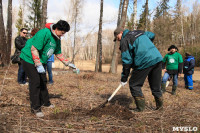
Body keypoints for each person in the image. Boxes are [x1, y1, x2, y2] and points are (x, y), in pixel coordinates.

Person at [20, 20, 79, 117]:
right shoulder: (44, 33)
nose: (62, 35)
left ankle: (45, 102)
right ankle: (35, 108)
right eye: (62, 32)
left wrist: (69, 63)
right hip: (29, 58)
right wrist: (38, 64)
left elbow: (58, 53)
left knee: (43, 80)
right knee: (35, 81)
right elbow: (34, 49)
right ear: (57, 28)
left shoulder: (57, 39)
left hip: (40, 61)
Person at [113, 27, 163, 112]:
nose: (118, 40)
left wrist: (124, 78)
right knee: (155, 85)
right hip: (157, 58)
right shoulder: (139, 32)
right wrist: (147, 46)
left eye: (117, 37)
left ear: (121, 32)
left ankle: (140, 109)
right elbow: (152, 35)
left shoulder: (124, 40)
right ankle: (160, 108)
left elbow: (127, 62)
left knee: (134, 84)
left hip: (144, 61)